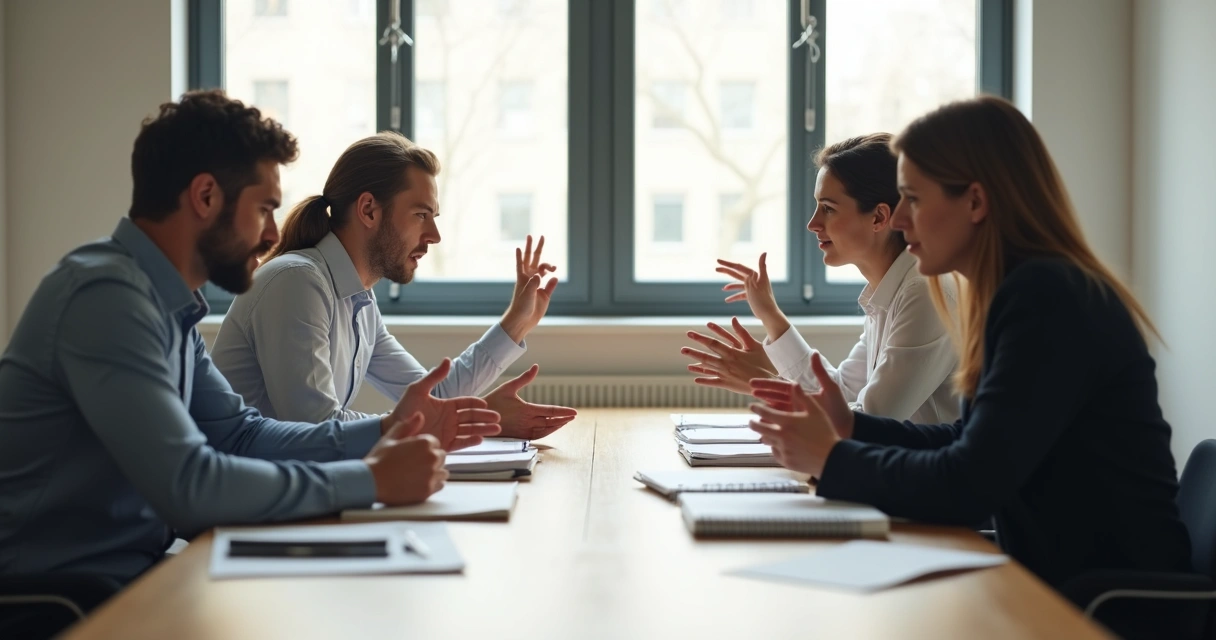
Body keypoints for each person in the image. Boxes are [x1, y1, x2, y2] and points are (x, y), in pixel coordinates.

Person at [0, 91, 500, 588]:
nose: (271, 235)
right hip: (59, 596)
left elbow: (241, 435)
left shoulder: (167, 307)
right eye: (263, 209)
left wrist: (389, 428)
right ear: (205, 197)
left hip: (133, 573)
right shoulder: (105, 297)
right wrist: (369, 480)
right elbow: (189, 485)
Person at [746, 97, 1192, 601]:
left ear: (975, 203)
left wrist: (834, 459)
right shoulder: (1022, 289)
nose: (900, 221)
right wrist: (850, 428)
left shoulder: (1048, 299)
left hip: (1104, 603)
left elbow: (969, 482)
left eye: (913, 200)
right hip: (1055, 582)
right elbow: (969, 439)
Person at [212, 132, 577, 441]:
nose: (433, 235)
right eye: (420, 215)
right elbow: (317, 430)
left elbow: (434, 395)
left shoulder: (359, 301)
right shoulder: (297, 283)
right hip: (248, 508)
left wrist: (516, 322)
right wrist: (460, 419)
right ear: (369, 210)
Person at [681, 134, 959, 423]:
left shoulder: (926, 293)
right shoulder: (892, 292)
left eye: (828, 208)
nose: (812, 224)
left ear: (878, 217)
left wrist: (765, 384)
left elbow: (874, 421)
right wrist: (772, 317)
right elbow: (843, 392)